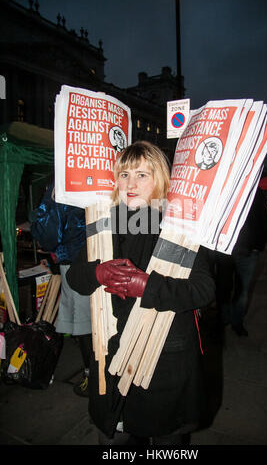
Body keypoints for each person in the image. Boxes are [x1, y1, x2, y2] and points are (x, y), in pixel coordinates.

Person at [66, 141, 215, 445]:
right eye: (123, 174)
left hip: (163, 362)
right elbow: (75, 277)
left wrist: (149, 287)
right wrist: (96, 272)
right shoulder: (105, 223)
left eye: (141, 175)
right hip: (111, 357)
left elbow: (204, 289)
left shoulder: (180, 226)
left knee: (166, 442)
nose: (130, 183)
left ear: (160, 179)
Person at [30, 183, 93, 397]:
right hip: (100, 257)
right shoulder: (99, 175)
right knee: (93, 322)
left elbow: (49, 234)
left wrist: (46, 204)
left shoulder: (65, 183)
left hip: (77, 262)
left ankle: (93, 377)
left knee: (84, 324)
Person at [215, 187, 267, 337]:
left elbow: (264, 218)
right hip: (225, 249)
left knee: (242, 291)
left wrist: (258, 245)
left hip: (248, 251)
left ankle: (236, 321)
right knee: (223, 288)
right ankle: (223, 320)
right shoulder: (225, 186)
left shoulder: (256, 190)